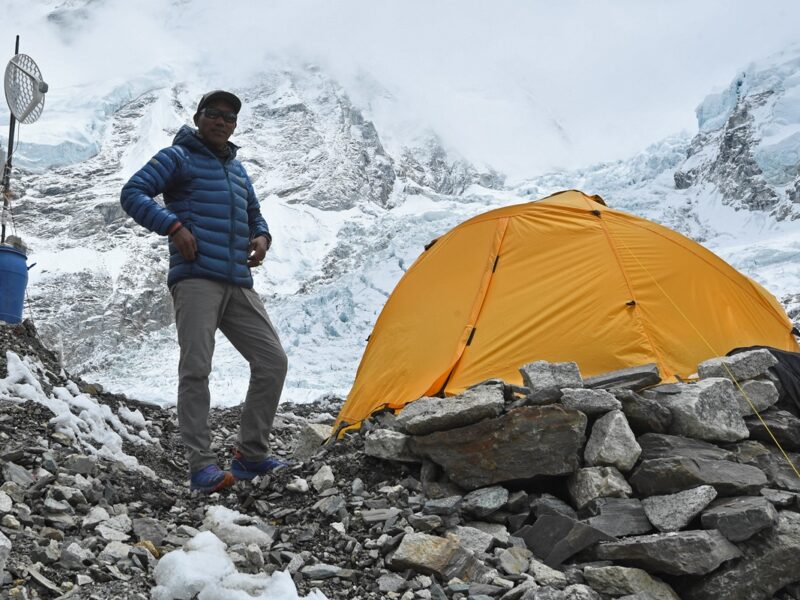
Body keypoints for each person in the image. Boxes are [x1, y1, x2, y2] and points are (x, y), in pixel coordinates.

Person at [120, 90, 288, 493]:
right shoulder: (177, 157)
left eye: (230, 117)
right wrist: (173, 227)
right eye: (214, 114)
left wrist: (262, 237)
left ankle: (251, 456)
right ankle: (202, 467)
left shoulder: (237, 170)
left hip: (237, 282)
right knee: (196, 369)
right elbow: (133, 192)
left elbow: (254, 214)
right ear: (198, 118)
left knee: (272, 361)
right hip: (196, 279)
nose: (222, 121)